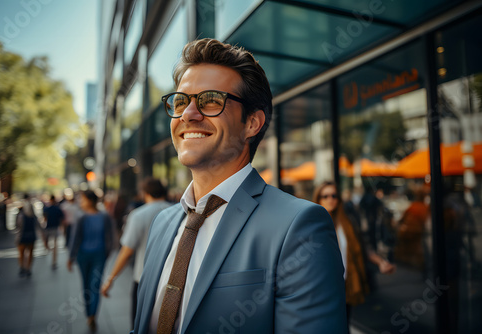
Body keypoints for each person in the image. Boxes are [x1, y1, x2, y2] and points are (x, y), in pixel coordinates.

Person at [132, 38, 346, 334]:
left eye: (210, 100)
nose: (188, 114)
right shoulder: (162, 223)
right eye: (181, 101)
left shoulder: (300, 226)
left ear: (252, 123)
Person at [313, 181, 395, 327]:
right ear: (318, 199)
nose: (330, 199)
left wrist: (381, 262)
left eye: (334, 195)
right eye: (325, 196)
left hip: (346, 284)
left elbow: (362, 249)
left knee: (344, 324)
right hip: (324, 287)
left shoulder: (347, 222)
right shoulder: (313, 225)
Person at [101, 177, 172, 324]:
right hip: (173, 280)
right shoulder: (179, 211)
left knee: (140, 324)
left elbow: (127, 251)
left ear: (145, 193)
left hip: (144, 279)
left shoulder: (139, 215)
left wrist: (110, 279)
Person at [68, 190, 115, 332]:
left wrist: (71, 257)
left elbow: (75, 238)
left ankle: (91, 315)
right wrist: (72, 256)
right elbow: (76, 237)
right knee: (91, 286)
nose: (80, 202)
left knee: (90, 286)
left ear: (90, 200)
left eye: (82, 199)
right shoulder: (85, 216)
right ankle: (91, 315)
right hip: (91, 256)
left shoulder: (101, 216)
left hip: (93, 255)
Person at [15, 193, 42, 277]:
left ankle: (22, 267)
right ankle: (28, 268)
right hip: (31, 236)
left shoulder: (21, 215)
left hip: (22, 236)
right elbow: (39, 226)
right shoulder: (33, 217)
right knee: (30, 252)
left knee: (22, 253)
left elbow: (17, 226)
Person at [43, 195, 65, 269]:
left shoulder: (50, 209)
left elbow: (44, 218)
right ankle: (54, 260)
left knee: (52, 244)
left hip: (51, 227)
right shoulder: (55, 209)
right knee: (54, 245)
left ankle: (53, 260)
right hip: (52, 228)